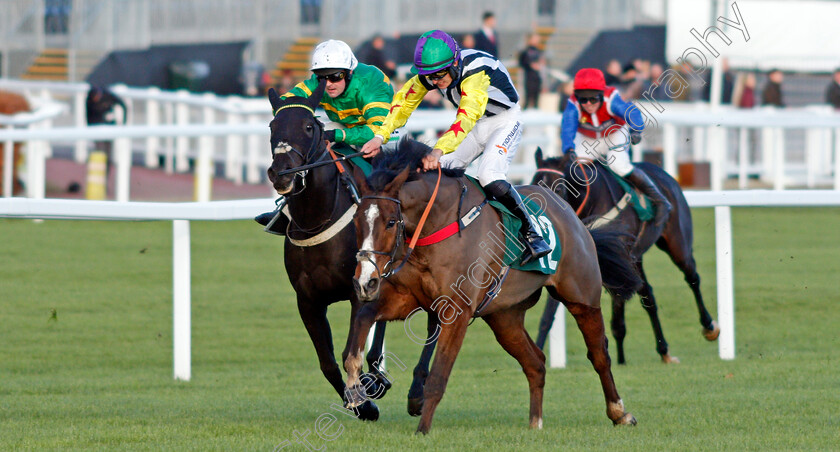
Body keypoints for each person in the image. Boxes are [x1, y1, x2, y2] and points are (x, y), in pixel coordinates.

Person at [360, 30, 551, 265]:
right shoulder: (435, 73)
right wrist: (380, 136)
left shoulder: (476, 72)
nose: (435, 82)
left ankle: (532, 233)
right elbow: (402, 104)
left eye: (439, 75)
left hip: (504, 121)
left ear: (455, 63)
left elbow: (467, 115)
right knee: (438, 173)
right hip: (476, 124)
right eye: (429, 77)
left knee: (488, 175)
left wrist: (438, 149)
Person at [255, 39, 395, 234]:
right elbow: (286, 103)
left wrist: (337, 134)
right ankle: (288, 210)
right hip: (344, 126)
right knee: (312, 146)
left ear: (349, 72)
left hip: (385, 132)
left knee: (390, 169)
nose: (328, 84)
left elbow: (376, 131)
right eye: (322, 77)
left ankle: (396, 218)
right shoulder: (319, 82)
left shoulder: (370, 83)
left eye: (335, 77)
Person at [560, 68, 671, 228]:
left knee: (618, 166)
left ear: (601, 93)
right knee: (574, 169)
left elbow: (631, 112)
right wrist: (568, 149)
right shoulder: (573, 103)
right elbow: (567, 127)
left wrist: (636, 129)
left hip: (614, 134)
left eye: (593, 98)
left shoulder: (610, 97)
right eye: (583, 99)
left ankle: (660, 201)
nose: (588, 104)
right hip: (588, 137)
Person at [86, 85, 127, 184]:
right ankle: (98, 182)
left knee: (108, 156)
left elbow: (123, 105)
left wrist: (124, 122)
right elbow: (87, 116)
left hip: (109, 130)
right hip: (97, 131)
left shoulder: (108, 95)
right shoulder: (89, 99)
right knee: (99, 154)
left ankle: (105, 181)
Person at [518, 33, 544, 109]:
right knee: (528, 97)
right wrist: (530, 65)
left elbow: (541, 63)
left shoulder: (539, 52)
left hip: (537, 77)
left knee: (536, 98)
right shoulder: (525, 52)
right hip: (529, 77)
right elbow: (522, 63)